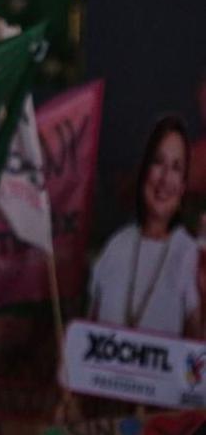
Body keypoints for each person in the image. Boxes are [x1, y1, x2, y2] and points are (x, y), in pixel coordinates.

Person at [88, 115, 201, 337]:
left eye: (176, 168)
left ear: (182, 187)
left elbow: (198, 358)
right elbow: (86, 334)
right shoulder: (115, 247)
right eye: (158, 162)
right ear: (143, 171)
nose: (165, 178)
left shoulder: (191, 255)